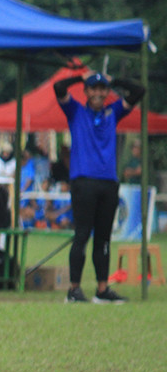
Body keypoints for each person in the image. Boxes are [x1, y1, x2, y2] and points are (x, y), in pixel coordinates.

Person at [54, 70, 145, 303]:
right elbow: (59, 88)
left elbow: (139, 91)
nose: (97, 93)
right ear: (86, 92)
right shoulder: (76, 111)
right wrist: (80, 78)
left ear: (106, 92)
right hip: (84, 181)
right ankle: (74, 290)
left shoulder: (112, 112)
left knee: (103, 238)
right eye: (93, 89)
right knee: (82, 235)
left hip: (108, 182)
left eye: (102, 89)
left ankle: (102, 290)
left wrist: (115, 80)